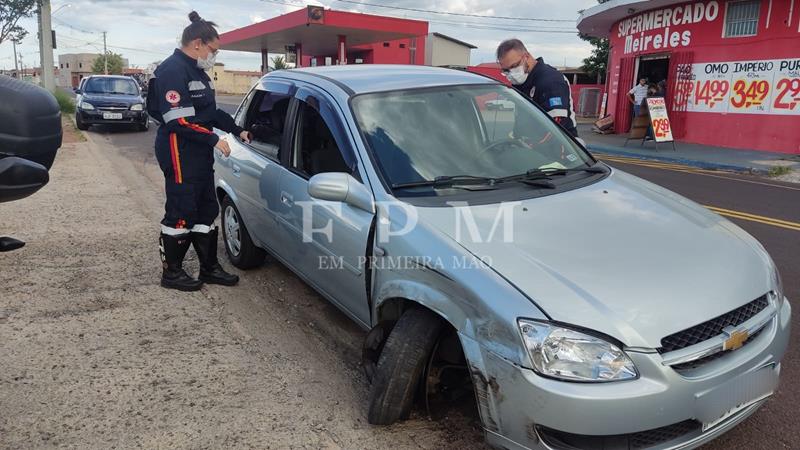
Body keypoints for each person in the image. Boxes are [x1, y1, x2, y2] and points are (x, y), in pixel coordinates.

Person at [150, 11, 251, 291]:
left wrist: (237, 129)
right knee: (182, 210)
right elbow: (178, 121)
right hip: (179, 150)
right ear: (197, 43)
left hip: (198, 152)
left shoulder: (199, 72)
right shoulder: (172, 70)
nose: (214, 56)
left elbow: (210, 112)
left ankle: (208, 268)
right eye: (213, 50)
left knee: (206, 208)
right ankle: (171, 273)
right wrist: (213, 140)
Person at [496, 39, 578, 137]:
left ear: (526, 57)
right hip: (528, 146)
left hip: (561, 147)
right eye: (506, 70)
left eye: (514, 66)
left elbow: (557, 126)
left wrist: (531, 144)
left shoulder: (551, 81)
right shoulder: (522, 82)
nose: (511, 73)